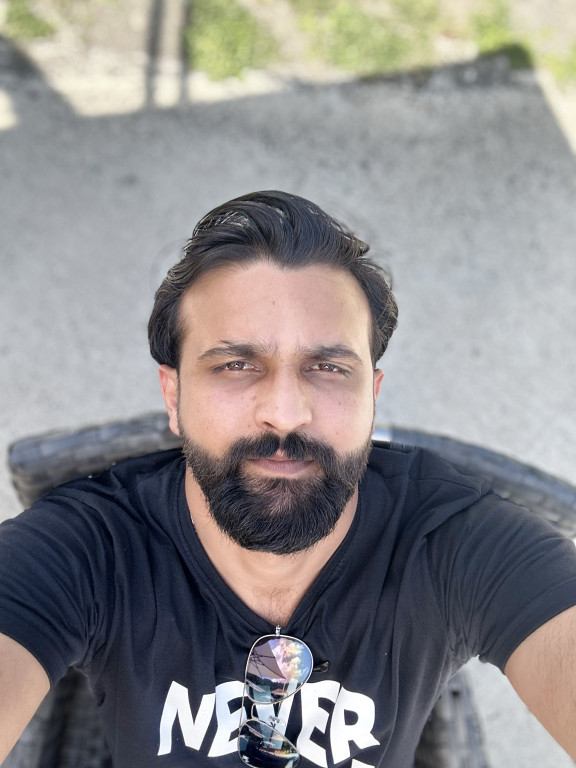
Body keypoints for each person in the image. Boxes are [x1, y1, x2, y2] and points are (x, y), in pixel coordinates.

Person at [1, 190, 576, 768]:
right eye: (236, 364)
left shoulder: (454, 544)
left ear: (371, 396)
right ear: (174, 397)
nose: (285, 412)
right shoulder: (90, 549)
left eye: (327, 367)